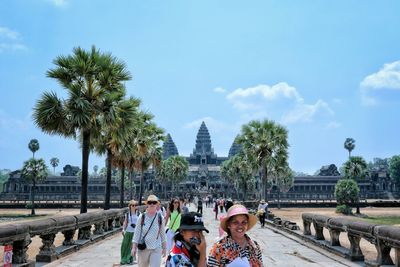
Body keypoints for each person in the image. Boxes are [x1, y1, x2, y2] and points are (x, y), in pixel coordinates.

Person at [132, 195, 167, 267]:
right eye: (150, 202)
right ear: (147, 204)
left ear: (157, 204)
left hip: (156, 248)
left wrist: (164, 248)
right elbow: (137, 233)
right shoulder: (142, 217)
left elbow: (163, 234)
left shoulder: (160, 218)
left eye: (154, 202)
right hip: (143, 248)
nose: (152, 204)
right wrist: (134, 247)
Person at [120, 200, 140, 265]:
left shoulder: (139, 214)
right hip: (128, 231)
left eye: (135, 205)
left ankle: (130, 259)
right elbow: (125, 222)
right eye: (132, 205)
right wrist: (123, 229)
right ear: (130, 206)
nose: (134, 207)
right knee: (124, 245)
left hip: (135, 232)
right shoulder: (127, 214)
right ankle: (123, 258)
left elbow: (141, 223)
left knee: (132, 246)